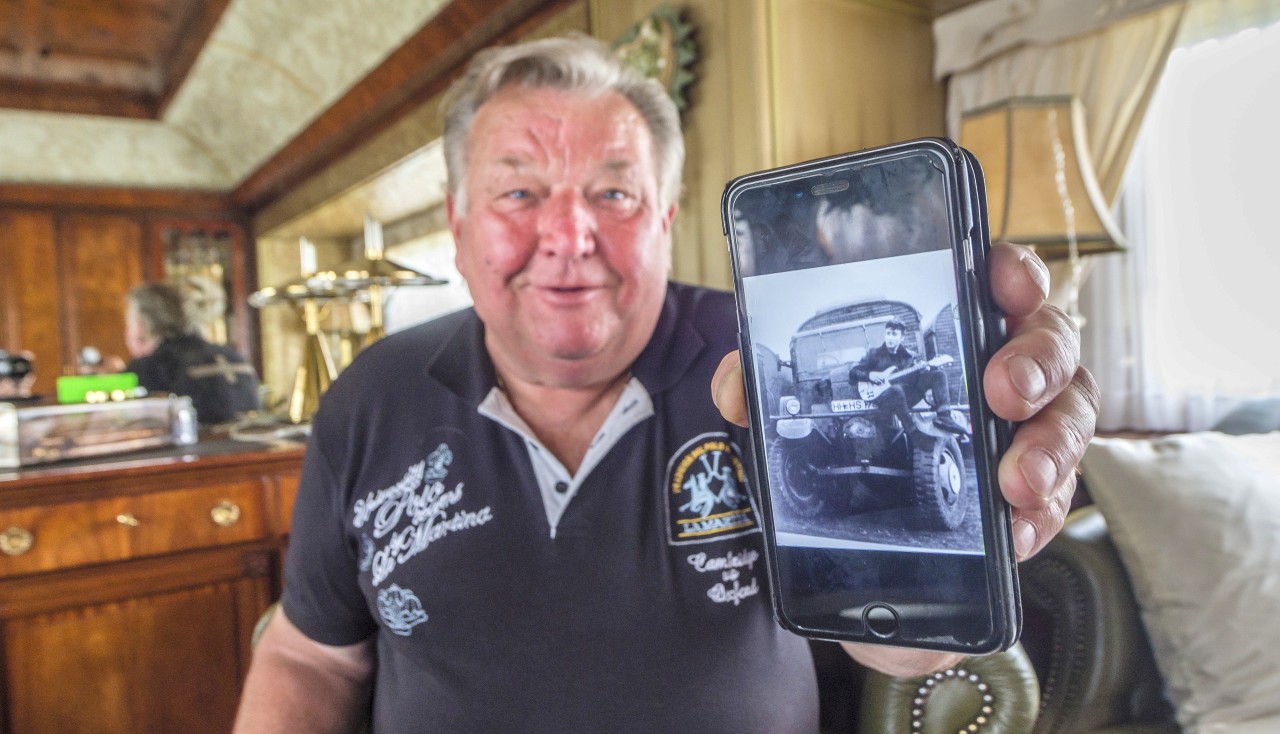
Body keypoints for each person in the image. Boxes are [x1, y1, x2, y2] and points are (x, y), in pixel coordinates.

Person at [233, 35, 1099, 734]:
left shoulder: (748, 362)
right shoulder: (369, 397)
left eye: (613, 193)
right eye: (520, 192)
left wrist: (966, 538)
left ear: (665, 221)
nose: (569, 234)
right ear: (458, 226)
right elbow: (312, 656)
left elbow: (889, 636)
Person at [124, 282, 261, 425]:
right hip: (249, 446)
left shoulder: (150, 367)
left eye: (128, 324)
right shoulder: (234, 356)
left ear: (140, 326)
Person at [848, 318, 968, 435]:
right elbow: (853, 372)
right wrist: (870, 375)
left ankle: (944, 417)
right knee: (897, 389)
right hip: (883, 399)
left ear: (902, 338)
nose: (890, 337)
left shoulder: (910, 356)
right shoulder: (873, 354)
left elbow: (915, 381)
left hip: (906, 397)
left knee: (938, 375)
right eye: (888, 333)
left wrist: (925, 369)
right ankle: (912, 431)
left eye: (894, 334)